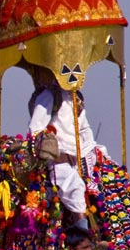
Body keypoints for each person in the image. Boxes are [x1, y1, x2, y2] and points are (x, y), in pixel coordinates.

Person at [27, 66, 106, 229]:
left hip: (80, 156)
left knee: (110, 178)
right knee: (75, 188)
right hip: (56, 159)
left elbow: (84, 129)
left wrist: (92, 152)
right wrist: (53, 151)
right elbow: (35, 130)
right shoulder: (48, 96)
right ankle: (83, 236)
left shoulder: (76, 98)